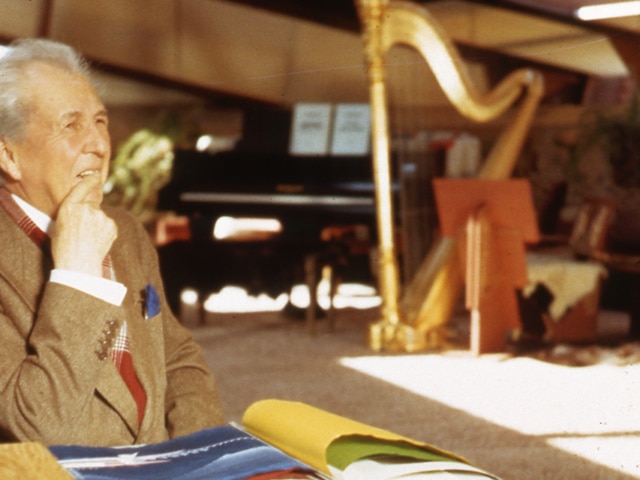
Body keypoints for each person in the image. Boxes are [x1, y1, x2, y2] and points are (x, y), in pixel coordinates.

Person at [0, 38, 225, 446]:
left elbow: (178, 360)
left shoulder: (123, 229)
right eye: (71, 126)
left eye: (100, 122)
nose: (100, 146)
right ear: (8, 156)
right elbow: (41, 429)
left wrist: (201, 456)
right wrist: (76, 277)